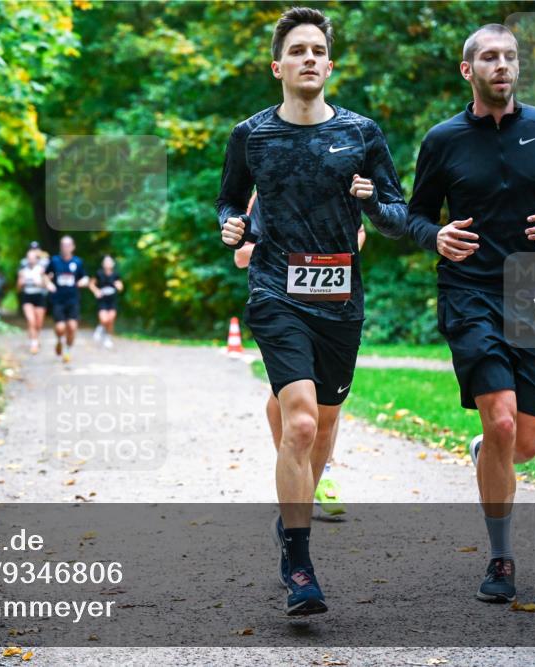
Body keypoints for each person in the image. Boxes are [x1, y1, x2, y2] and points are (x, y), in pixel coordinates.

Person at [216, 6, 407, 616]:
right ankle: (299, 566)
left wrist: (373, 201)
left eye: (317, 51)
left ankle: (290, 516)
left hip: (340, 299)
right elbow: (225, 201)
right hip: (277, 291)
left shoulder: (361, 134)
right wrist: (231, 225)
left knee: (322, 428)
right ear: (279, 65)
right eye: (297, 50)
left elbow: (398, 216)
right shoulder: (252, 135)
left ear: (330, 64)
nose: (308, 59)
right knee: (298, 424)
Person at [406, 24, 535, 603]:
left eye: (510, 57)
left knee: (522, 442)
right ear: (467, 70)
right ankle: (501, 559)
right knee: (500, 420)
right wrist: (436, 236)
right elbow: (416, 214)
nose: (502, 66)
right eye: (490, 58)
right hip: (470, 286)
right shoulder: (443, 139)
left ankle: (489, 453)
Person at [234, 191, 366, 521]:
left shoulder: (337, 178)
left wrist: (331, 256)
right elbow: (241, 255)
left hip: (333, 307)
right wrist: (286, 260)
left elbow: (359, 233)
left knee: (326, 405)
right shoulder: (268, 184)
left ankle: (312, 470)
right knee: (292, 405)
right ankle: (299, 467)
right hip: (283, 305)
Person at [46, 236, 89, 363]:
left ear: (73, 247)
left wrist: (83, 282)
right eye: (63, 245)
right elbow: (45, 275)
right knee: (60, 328)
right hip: (58, 299)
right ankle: (59, 340)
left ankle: (68, 350)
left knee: (72, 327)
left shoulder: (78, 262)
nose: (66, 247)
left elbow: (85, 277)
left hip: (73, 299)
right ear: (61, 247)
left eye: (68, 245)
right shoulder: (54, 261)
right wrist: (49, 283)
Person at [17, 242, 53, 354]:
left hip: (40, 296)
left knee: (38, 323)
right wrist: (21, 282)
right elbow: (18, 287)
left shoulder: (43, 266)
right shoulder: (23, 267)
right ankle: (34, 342)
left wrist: (42, 282)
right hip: (27, 296)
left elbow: (48, 280)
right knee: (31, 320)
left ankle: (35, 337)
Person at [90, 255, 124, 349]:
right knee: (104, 319)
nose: (107, 264)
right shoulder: (99, 274)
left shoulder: (116, 275)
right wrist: (96, 291)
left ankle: (108, 338)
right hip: (102, 300)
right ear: (103, 264)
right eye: (106, 262)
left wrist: (119, 286)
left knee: (111, 319)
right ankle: (100, 327)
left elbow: (120, 286)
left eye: (109, 262)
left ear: (112, 264)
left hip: (112, 300)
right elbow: (91, 284)